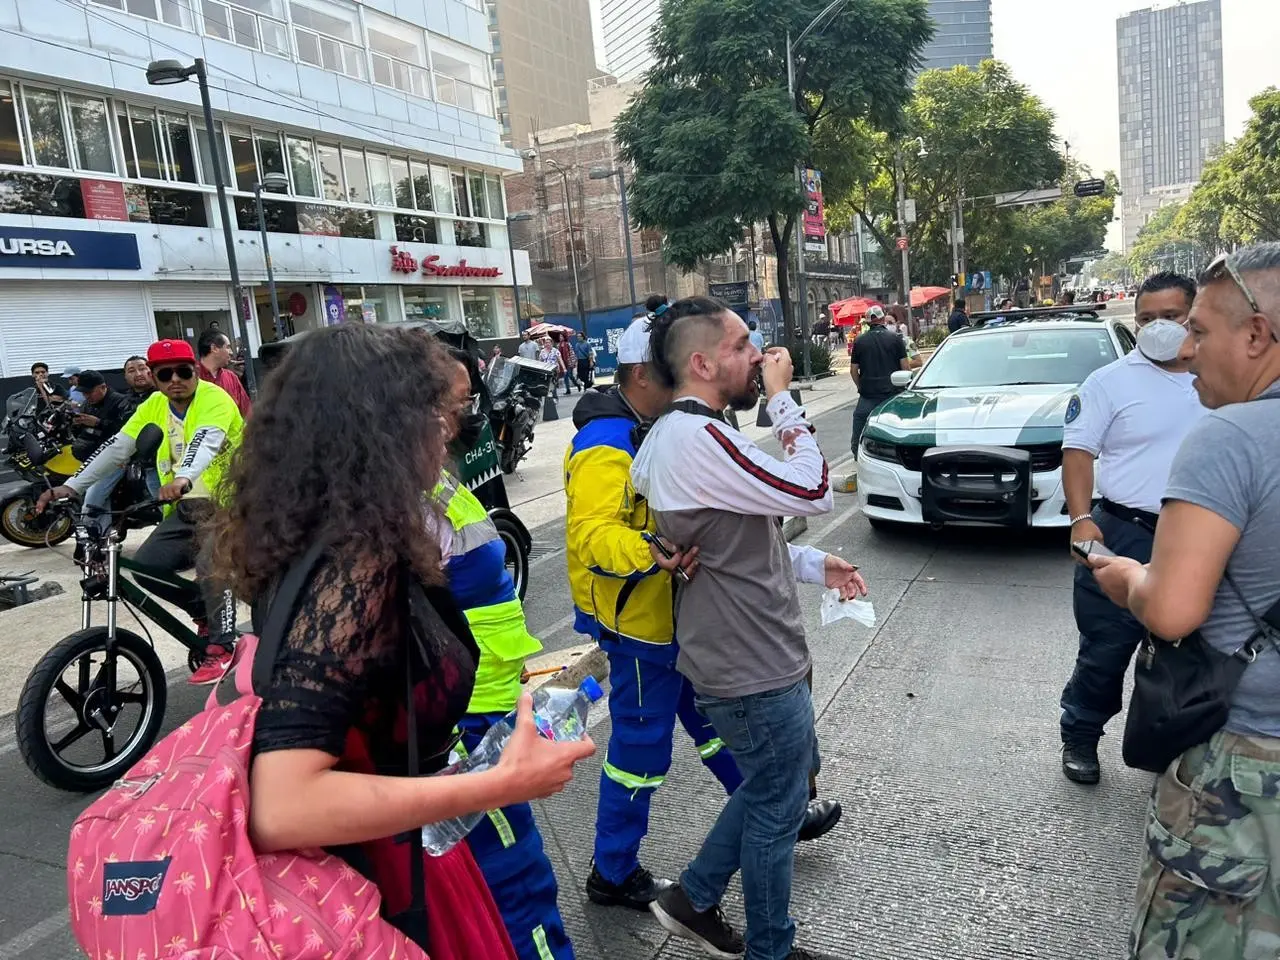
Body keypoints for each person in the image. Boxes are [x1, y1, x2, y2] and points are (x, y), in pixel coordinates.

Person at [207, 323, 594, 956]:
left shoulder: (313, 534)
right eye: (436, 413)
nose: (447, 434)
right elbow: (283, 802)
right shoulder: (357, 560)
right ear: (381, 426)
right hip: (394, 861)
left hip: (395, 842)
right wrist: (498, 784)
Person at [632, 296, 866, 960]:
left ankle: (693, 898)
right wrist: (784, 400)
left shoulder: (692, 436)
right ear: (702, 362)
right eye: (741, 346)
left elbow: (744, 544)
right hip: (749, 666)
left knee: (770, 790)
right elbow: (813, 489)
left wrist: (819, 564)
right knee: (777, 811)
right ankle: (770, 949)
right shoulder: (696, 437)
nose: (759, 355)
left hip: (743, 653)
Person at [1088, 243, 1280, 957]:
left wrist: (1123, 576)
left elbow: (1172, 611)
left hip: (1246, 765)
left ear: (1256, 335)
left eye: (1198, 331)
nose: (1185, 352)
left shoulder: (1229, 437)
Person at [566, 317, 739, 912]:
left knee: (718, 727)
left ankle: (772, 811)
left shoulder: (654, 426)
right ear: (643, 375)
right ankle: (612, 873)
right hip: (640, 631)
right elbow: (591, 536)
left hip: (676, 622)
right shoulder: (605, 444)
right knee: (640, 755)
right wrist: (652, 552)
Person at [425, 348, 574, 960]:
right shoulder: (397, 498)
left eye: (463, 402)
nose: (459, 418)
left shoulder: (427, 477)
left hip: (485, 706)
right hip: (462, 724)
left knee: (503, 878)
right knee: (517, 882)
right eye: (448, 404)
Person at [1058, 272, 1207, 784]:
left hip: (1200, 539)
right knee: (1105, 650)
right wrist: (1081, 520)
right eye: (1146, 319)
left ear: (1196, 314)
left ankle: (1175, 744)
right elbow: (1077, 453)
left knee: (1194, 651)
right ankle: (1080, 732)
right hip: (1124, 531)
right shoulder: (1109, 383)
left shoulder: (1224, 378)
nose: (1157, 328)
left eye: (1171, 317)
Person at [38, 339, 245, 685]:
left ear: (195, 370)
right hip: (187, 508)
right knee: (147, 568)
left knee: (212, 564)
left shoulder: (214, 398)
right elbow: (119, 445)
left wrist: (182, 478)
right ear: (155, 377)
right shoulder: (154, 404)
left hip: (232, 503)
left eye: (183, 371)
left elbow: (205, 440)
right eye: (165, 374)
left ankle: (225, 645)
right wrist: (71, 486)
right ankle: (203, 612)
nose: (175, 379)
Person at [849, 305, 911, 454]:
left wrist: (860, 386)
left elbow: (853, 370)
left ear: (868, 322)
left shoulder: (859, 341)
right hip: (892, 394)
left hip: (868, 395)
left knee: (858, 431)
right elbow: (906, 368)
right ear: (883, 319)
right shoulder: (896, 339)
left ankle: (859, 456)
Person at [198, 328, 252, 418]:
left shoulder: (231, 378)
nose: (231, 352)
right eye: (228, 347)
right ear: (214, 348)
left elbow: (247, 412)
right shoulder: (191, 377)